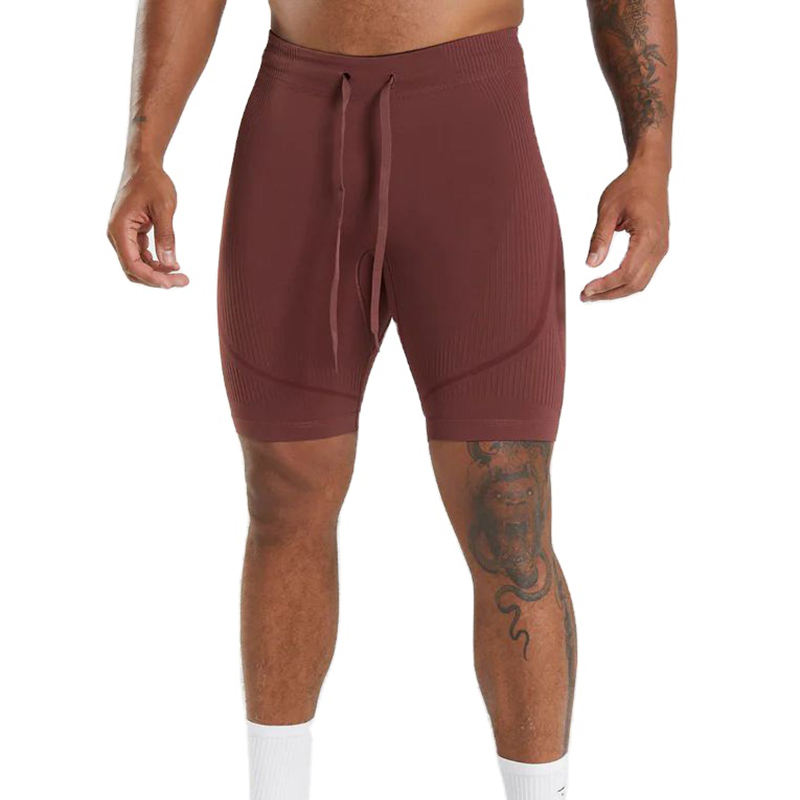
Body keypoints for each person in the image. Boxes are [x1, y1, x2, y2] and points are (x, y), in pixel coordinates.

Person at [107, 1, 676, 797]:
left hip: (473, 129)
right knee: (284, 496)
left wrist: (651, 158)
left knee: (508, 509)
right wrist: (144, 153)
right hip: (298, 128)